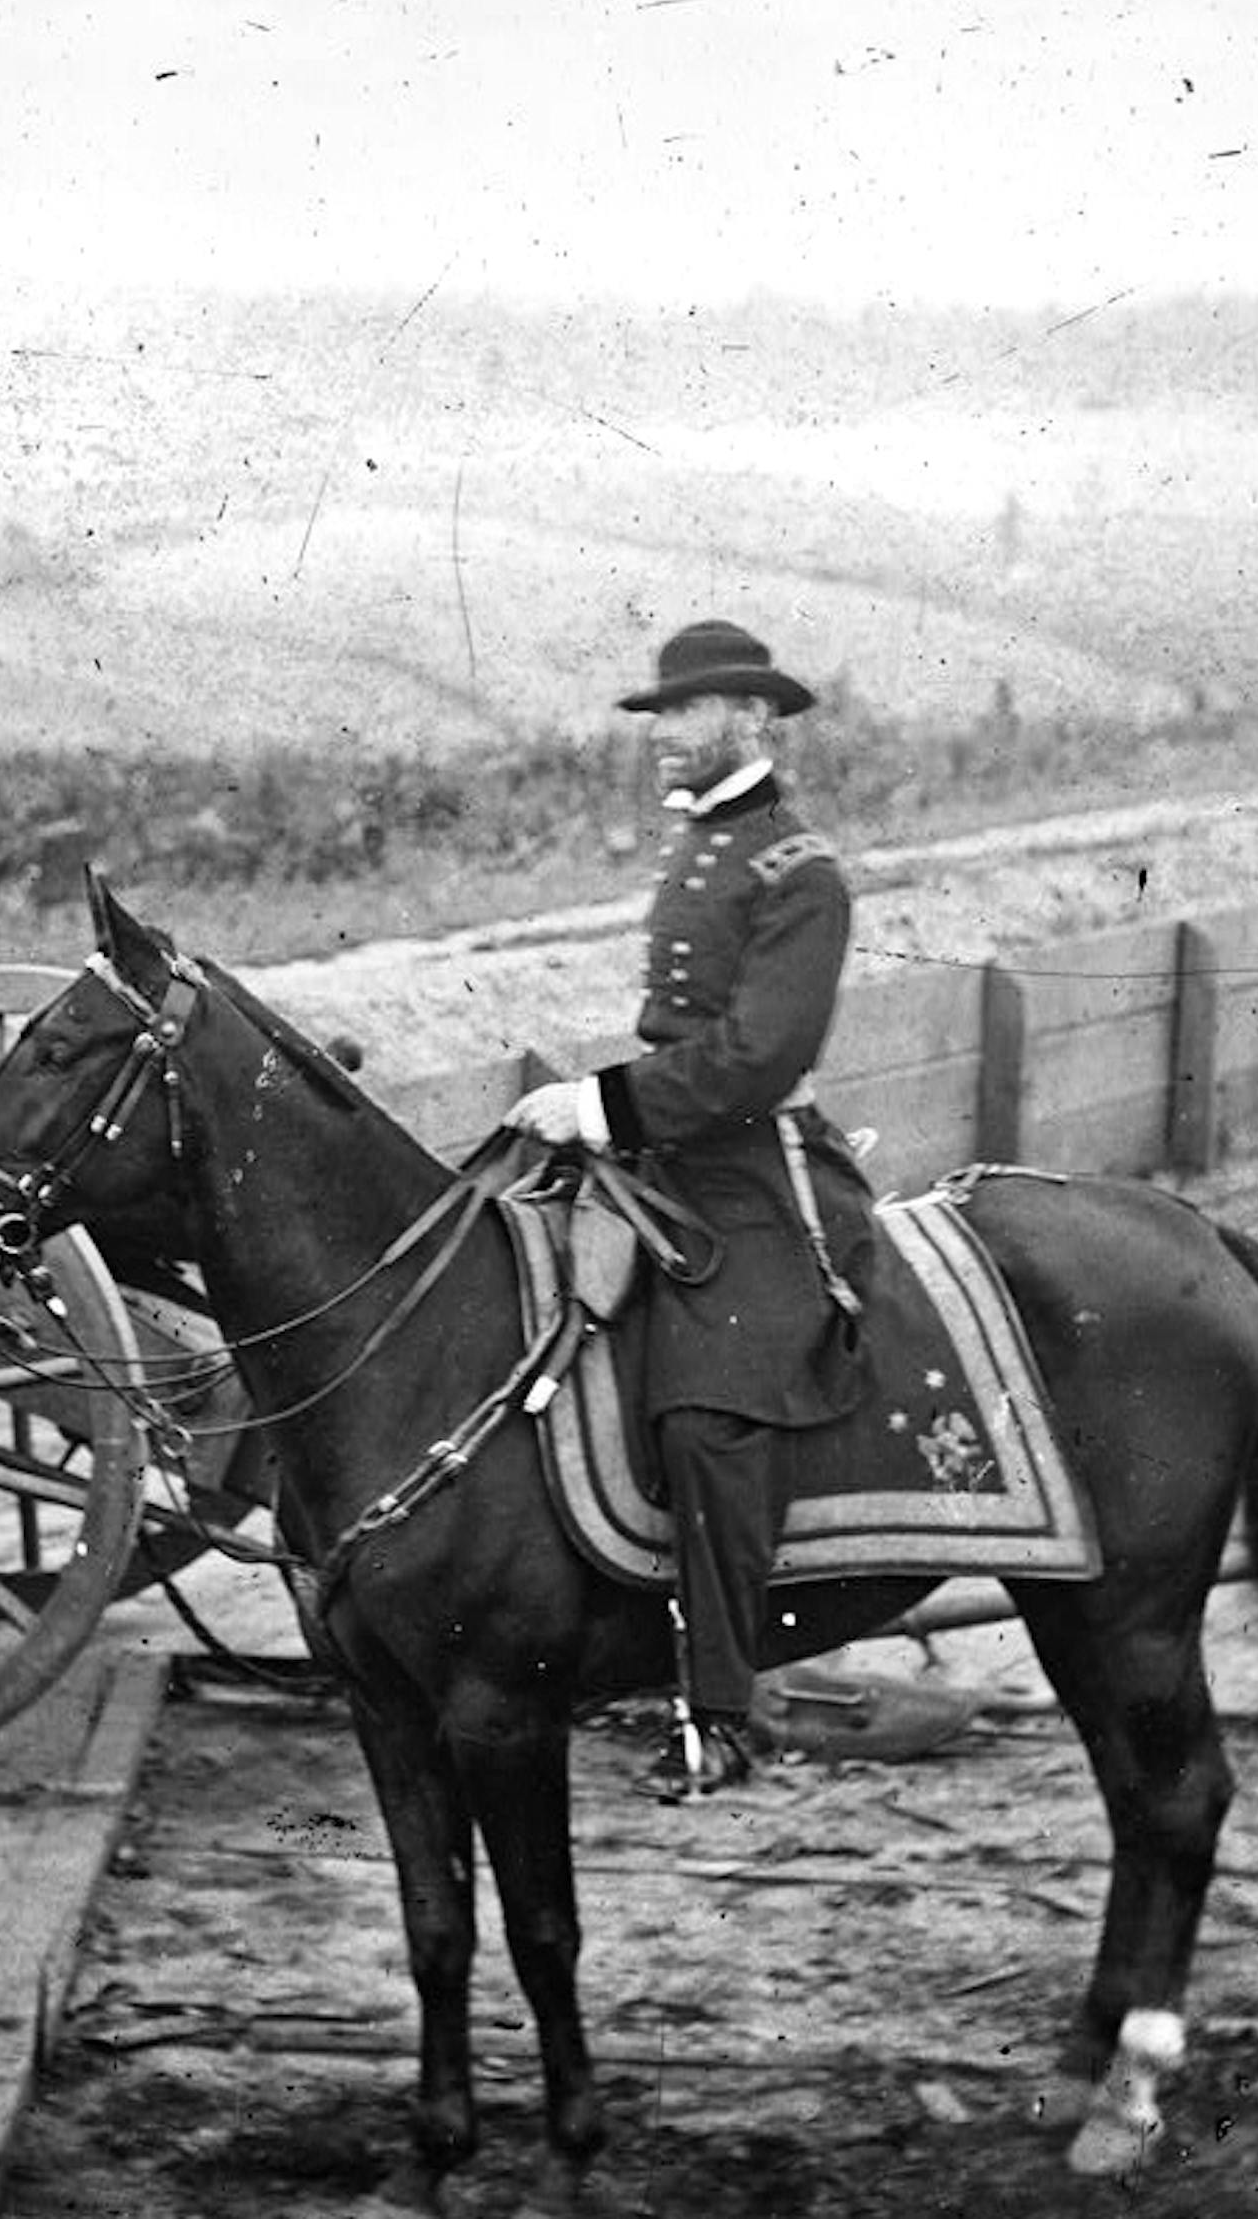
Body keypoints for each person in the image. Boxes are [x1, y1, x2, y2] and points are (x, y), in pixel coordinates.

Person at [505, 618, 874, 1801]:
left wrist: (602, 1104)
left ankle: (719, 1710)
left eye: (682, 714)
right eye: (659, 717)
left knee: (712, 1417)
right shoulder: (707, 842)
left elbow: (757, 1056)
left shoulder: (799, 869)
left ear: (751, 718)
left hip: (756, 1172)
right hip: (668, 1150)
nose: (661, 736)